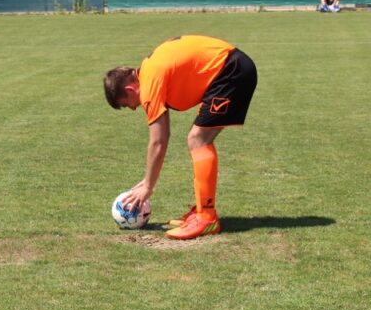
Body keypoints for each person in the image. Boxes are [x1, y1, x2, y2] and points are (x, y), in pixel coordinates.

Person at [104, 35, 258, 240]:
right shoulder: (149, 71)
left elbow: (159, 140)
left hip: (231, 72)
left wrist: (148, 185)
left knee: (198, 139)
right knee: (197, 138)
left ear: (130, 89)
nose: (133, 108)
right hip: (230, 67)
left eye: (127, 104)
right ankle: (202, 211)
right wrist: (147, 180)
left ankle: (207, 218)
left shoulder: (149, 84)